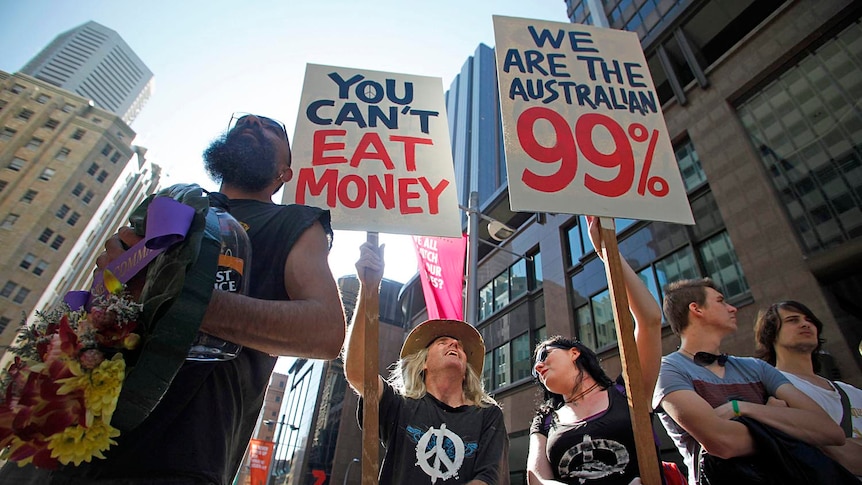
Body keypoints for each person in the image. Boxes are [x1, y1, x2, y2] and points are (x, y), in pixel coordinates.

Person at [0, 113, 346, 484]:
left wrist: (174, 297)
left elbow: (324, 332)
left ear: (284, 173)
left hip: (179, 455)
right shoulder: (172, 204)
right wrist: (114, 280)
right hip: (65, 435)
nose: (251, 122)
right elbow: (112, 299)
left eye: (270, 128)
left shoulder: (294, 222)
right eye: (243, 120)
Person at [343, 242, 509, 485]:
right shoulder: (400, 406)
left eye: (460, 346)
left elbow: (488, 478)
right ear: (423, 364)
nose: (454, 345)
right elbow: (358, 373)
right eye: (443, 342)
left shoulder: (488, 416)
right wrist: (368, 290)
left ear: (466, 372)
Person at [652, 279, 846, 485]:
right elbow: (723, 442)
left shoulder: (756, 367)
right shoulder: (668, 369)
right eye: (721, 301)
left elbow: (830, 431)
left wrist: (743, 408)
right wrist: (785, 421)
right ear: (696, 309)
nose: (732, 308)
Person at [527, 216, 665, 485]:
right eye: (536, 367)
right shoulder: (544, 420)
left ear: (574, 353)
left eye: (545, 355)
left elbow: (649, 321)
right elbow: (536, 477)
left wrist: (606, 254)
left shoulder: (629, 392)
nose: (538, 367)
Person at [754, 300, 862, 476]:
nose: (805, 324)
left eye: (809, 320)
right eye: (792, 320)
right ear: (771, 333)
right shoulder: (770, 388)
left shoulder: (853, 392)